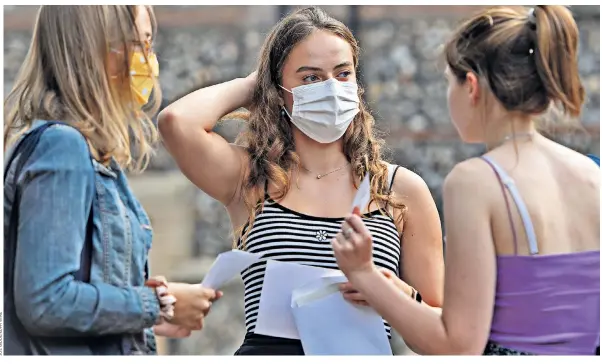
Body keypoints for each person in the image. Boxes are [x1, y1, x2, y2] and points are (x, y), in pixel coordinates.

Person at [159, 6, 444, 355]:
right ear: (280, 91)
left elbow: (442, 337)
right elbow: (175, 122)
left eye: (343, 74)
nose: (330, 88)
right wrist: (253, 84)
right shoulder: (251, 177)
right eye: (310, 77)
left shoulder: (400, 189)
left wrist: (398, 294)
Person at [332, 5, 600, 356]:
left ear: (471, 86)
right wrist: (404, 294)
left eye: (449, 82)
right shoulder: (590, 173)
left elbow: (458, 345)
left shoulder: (476, 181)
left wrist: (363, 274)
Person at [3, 5, 219, 355]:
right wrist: (157, 302)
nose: (150, 59)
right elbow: (45, 301)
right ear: (94, 49)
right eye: (141, 43)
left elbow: (79, 286)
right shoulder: (63, 146)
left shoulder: (85, 150)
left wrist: (141, 313)